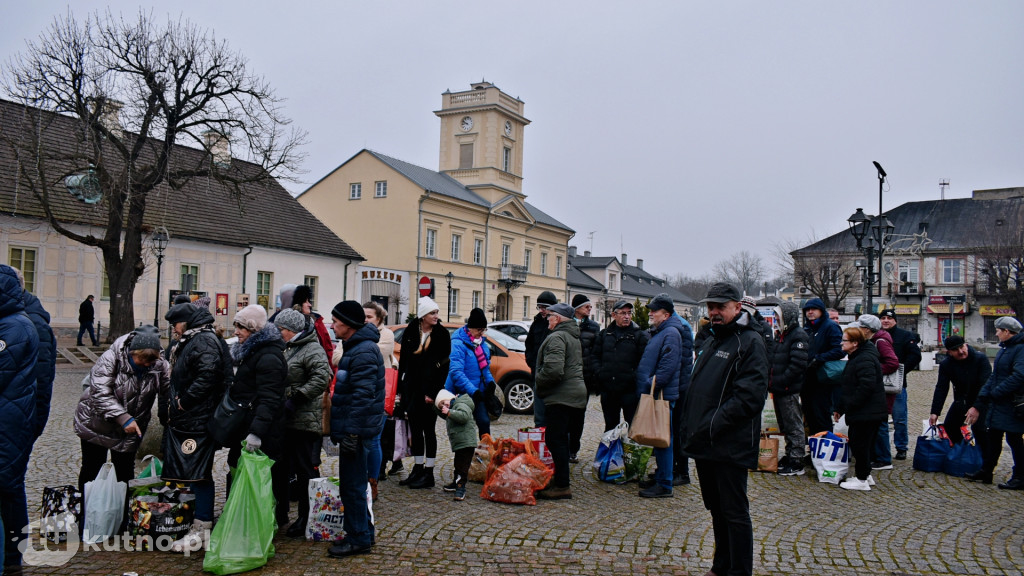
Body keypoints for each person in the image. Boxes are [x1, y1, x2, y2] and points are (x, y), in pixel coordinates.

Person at [681, 282, 768, 576]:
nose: (714, 312)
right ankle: (720, 566)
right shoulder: (712, 339)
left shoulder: (750, 342)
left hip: (729, 443)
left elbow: (749, 398)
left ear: (737, 307)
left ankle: (739, 570)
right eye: (710, 307)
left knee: (734, 512)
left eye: (720, 307)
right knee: (716, 509)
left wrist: (711, 426)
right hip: (706, 442)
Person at [162, 302, 232, 553]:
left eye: (175, 324)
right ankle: (198, 524)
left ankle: (202, 528)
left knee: (199, 473)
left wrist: (184, 401)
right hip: (191, 417)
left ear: (187, 322)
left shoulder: (202, 340)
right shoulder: (195, 338)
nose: (174, 330)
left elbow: (208, 375)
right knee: (193, 472)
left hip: (198, 419)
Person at [74, 326, 169, 496]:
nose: (147, 364)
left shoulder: (159, 364)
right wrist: (123, 418)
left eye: (151, 361)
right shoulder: (111, 358)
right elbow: (99, 393)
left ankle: (122, 516)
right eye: (142, 359)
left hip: (131, 428)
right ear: (132, 352)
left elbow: (169, 387)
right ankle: (88, 513)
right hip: (96, 423)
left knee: (124, 473)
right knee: (92, 469)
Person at [327, 300, 385, 558]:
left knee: (352, 486)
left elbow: (363, 396)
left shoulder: (362, 351)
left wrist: (351, 432)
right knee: (353, 485)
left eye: (336, 321)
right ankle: (362, 532)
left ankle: (359, 538)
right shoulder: (356, 347)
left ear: (348, 324)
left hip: (357, 430)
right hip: (355, 428)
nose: (332, 325)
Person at [274, 308, 331, 537]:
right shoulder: (287, 348)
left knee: (305, 470)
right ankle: (282, 513)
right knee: (283, 468)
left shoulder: (312, 348)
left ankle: (307, 518)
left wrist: (296, 398)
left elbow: (322, 378)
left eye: (281, 330)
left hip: (305, 419)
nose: (278, 333)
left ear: (291, 330)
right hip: (287, 420)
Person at [0, 264, 39, 571]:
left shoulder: (14, 326)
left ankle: (13, 559)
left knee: (9, 488)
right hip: (10, 417)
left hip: (9, 423)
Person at [533, 303, 587, 500]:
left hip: (562, 396)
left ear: (558, 318)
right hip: (572, 394)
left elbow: (554, 370)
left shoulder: (557, 337)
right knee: (560, 439)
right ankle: (560, 479)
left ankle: (562, 485)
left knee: (556, 439)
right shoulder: (572, 336)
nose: (547, 319)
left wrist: (538, 380)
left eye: (550, 316)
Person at [396, 296, 451, 489]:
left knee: (429, 430)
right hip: (412, 387)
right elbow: (404, 361)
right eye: (432, 313)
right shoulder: (412, 331)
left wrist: (434, 392)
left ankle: (429, 472)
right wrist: (400, 390)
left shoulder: (442, 334)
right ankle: (418, 468)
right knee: (415, 429)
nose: (436, 316)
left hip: (430, 390)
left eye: (436, 312)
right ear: (423, 315)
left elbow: (444, 365)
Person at [965, 316, 1024, 489]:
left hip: (1012, 404)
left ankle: (1020, 476)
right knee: (993, 438)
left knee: (1014, 440)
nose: (996, 334)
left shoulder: (1019, 349)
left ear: (1007, 331)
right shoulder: (1006, 349)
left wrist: (996, 393)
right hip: (1000, 404)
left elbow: (1019, 376)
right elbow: (995, 376)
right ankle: (986, 470)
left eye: (998, 330)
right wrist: (984, 395)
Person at [635, 293, 683, 497]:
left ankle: (665, 484)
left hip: (661, 395)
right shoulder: (662, 331)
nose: (651, 313)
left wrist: (649, 385)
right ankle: (663, 477)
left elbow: (667, 367)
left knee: (663, 440)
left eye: (655, 311)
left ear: (667, 314)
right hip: (657, 392)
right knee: (661, 440)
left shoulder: (671, 333)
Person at [833, 327, 887, 491]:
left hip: (867, 411)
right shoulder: (856, 356)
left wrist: (850, 406)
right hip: (864, 410)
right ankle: (866, 474)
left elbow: (866, 386)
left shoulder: (864, 359)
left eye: (845, 340)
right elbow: (849, 386)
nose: (841, 343)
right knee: (862, 443)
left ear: (855, 343)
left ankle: (862, 479)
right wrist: (841, 407)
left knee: (860, 444)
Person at [850, 315, 900, 471]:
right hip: (878, 387)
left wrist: (873, 370)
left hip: (883, 389)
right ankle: (876, 456)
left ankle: (884, 458)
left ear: (866, 329)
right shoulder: (875, 340)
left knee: (880, 423)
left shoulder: (880, 341)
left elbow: (893, 362)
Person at [593, 299, 650, 431]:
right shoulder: (605, 334)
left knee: (633, 427)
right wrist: (600, 373)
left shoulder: (638, 336)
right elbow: (595, 356)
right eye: (623, 313)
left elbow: (644, 361)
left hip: (629, 390)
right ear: (614, 315)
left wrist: (633, 376)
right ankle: (612, 451)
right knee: (610, 427)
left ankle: (629, 452)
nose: (627, 316)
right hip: (608, 389)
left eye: (629, 313)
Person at [769, 302, 810, 476]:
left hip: (788, 388)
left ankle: (796, 460)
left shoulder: (797, 335)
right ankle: (789, 453)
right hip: (779, 388)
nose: (776, 318)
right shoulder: (782, 334)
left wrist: (781, 381)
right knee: (785, 425)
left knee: (793, 424)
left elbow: (797, 365)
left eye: (779, 316)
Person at [877, 309, 922, 463]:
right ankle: (880, 449)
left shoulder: (905, 336)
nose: (886, 321)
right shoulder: (875, 335)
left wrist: (901, 371)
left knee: (899, 418)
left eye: (889, 318)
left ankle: (901, 447)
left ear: (895, 320)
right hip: (877, 383)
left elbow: (916, 355)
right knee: (878, 417)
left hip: (897, 384)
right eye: (883, 318)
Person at [930, 335, 991, 448]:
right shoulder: (946, 365)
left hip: (982, 400)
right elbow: (941, 388)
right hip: (962, 400)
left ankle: (984, 462)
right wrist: (935, 412)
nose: (961, 351)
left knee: (980, 430)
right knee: (950, 426)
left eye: (962, 347)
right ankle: (964, 452)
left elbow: (986, 385)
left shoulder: (980, 359)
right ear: (949, 352)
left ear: (966, 345)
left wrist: (976, 407)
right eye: (955, 350)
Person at [445, 308, 496, 438]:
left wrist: (490, 383)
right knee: (464, 430)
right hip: (462, 394)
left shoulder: (481, 344)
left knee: (484, 423)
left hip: (478, 393)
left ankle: (485, 453)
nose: (481, 333)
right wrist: (473, 390)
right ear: (470, 328)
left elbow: (485, 369)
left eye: (483, 330)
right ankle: (465, 456)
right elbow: (456, 372)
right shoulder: (457, 343)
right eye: (479, 330)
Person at [362, 301, 397, 487]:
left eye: (369, 317)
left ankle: (372, 481)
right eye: (364, 317)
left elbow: (382, 353)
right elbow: (337, 357)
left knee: (374, 440)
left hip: (379, 392)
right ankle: (360, 479)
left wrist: (357, 350)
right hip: (358, 392)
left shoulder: (387, 334)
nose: (365, 320)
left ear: (379, 319)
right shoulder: (355, 332)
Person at [801, 298, 845, 435]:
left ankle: (825, 449)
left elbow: (840, 349)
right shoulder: (807, 328)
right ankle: (814, 449)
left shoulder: (830, 326)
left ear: (821, 311)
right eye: (807, 310)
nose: (810, 312)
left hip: (822, 378)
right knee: (810, 415)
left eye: (813, 309)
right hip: (807, 378)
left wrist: (819, 359)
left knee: (821, 415)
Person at [433, 389, 478, 501]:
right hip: (460, 442)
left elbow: (464, 416)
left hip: (466, 442)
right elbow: (446, 415)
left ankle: (460, 487)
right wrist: (435, 406)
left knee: (463, 466)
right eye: (441, 405)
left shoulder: (461, 404)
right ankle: (455, 482)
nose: (444, 405)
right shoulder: (453, 407)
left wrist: (449, 412)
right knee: (458, 463)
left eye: (444, 402)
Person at [571, 294, 600, 462]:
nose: (590, 309)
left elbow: (596, 352)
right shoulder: (567, 324)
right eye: (586, 306)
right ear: (577, 308)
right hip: (569, 377)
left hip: (585, 377)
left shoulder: (594, 327)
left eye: (590, 306)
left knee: (579, 416)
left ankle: (573, 449)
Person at [526, 290, 557, 427]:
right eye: (540, 307)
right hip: (537, 372)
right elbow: (529, 344)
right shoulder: (536, 323)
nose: (542, 310)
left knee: (552, 413)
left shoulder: (556, 324)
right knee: (539, 413)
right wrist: (531, 361)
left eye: (545, 307)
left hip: (551, 374)